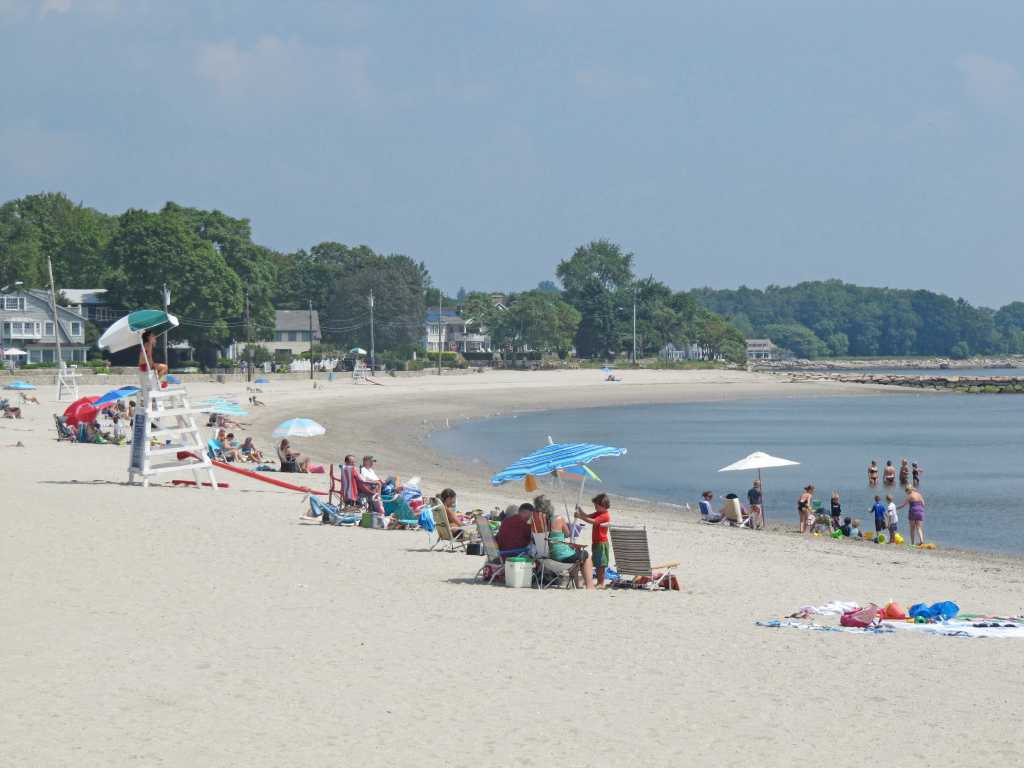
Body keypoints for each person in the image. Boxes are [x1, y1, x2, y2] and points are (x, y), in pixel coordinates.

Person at [534, 495, 595, 589]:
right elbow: (568, 534)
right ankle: (590, 586)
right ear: (549, 506)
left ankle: (577, 584)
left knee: (575, 554)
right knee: (586, 555)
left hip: (545, 558)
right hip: (560, 558)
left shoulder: (537, 523)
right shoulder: (558, 519)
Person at [575, 492, 612, 588]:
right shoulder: (599, 513)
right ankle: (599, 582)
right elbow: (588, 516)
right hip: (595, 542)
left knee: (601, 564)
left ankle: (601, 583)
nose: (595, 507)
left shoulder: (605, 515)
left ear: (603, 506)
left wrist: (580, 516)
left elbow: (593, 521)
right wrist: (580, 510)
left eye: (596, 506)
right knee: (597, 562)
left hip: (602, 543)